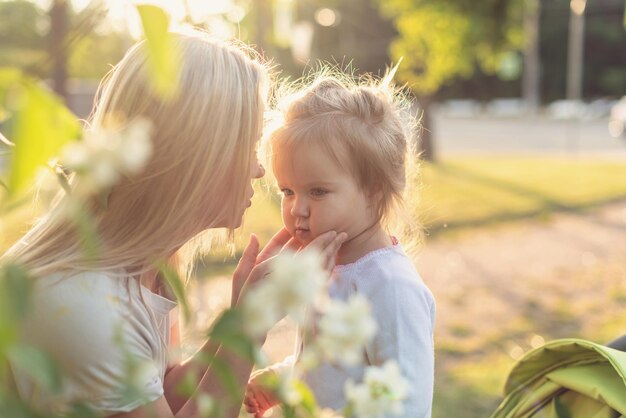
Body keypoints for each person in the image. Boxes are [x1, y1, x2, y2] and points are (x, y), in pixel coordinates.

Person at [2, 31, 346, 418]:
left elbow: (162, 393)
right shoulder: (83, 304)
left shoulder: (148, 268)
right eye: (247, 146)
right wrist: (249, 330)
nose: (258, 168)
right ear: (197, 156)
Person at [244, 72, 436, 417]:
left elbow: (408, 402)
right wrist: (282, 378)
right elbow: (331, 368)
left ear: (374, 191)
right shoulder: (327, 267)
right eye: (287, 191)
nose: (297, 209)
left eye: (317, 191)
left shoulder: (390, 285)